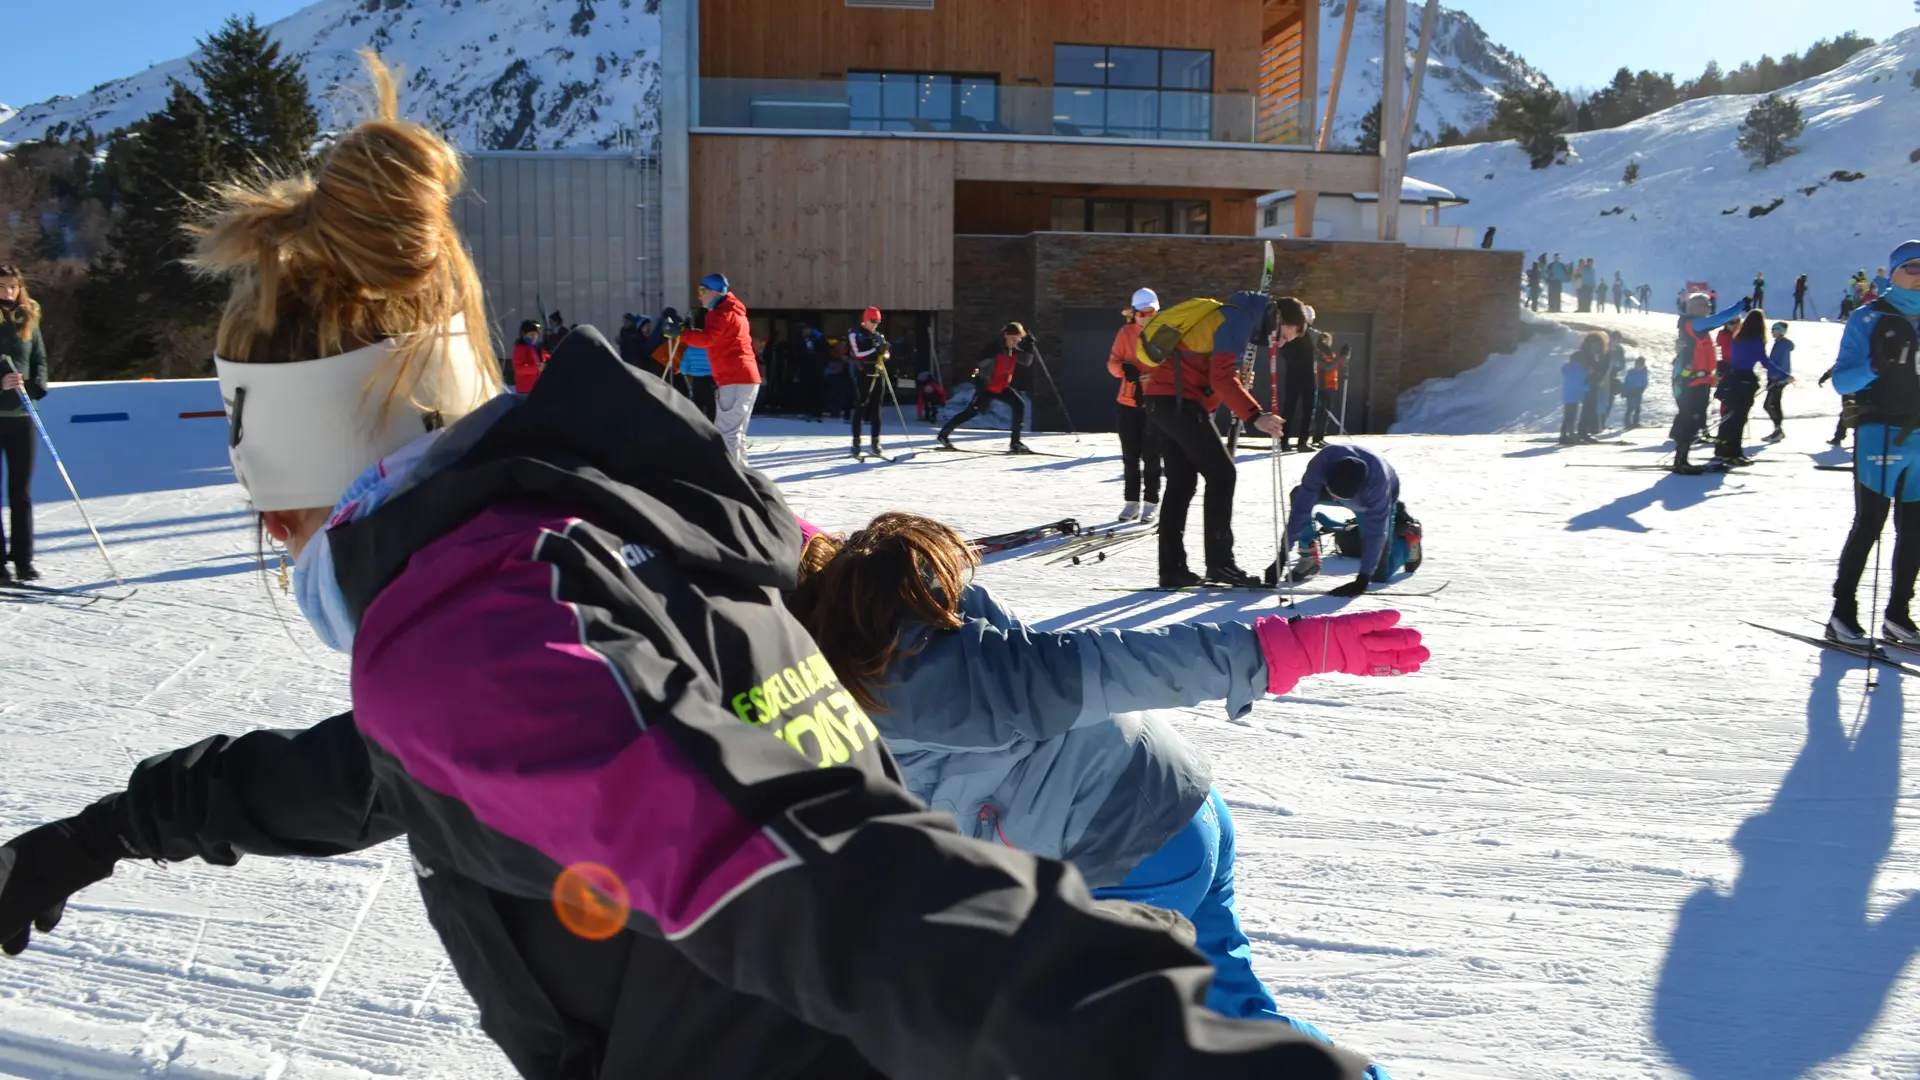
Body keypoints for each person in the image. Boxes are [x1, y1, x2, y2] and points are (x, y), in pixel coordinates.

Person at [0, 56, 1377, 1080]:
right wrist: (115, 827)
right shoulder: (603, 543)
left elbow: (818, 875)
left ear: (286, 486)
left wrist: (1182, 1055)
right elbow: (395, 770)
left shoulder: (459, 635)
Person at [786, 511, 1425, 1076]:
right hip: (1176, 807)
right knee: (1234, 1022)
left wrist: (1277, 649)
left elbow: (1104, 666)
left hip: (1121, 850)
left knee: (1105, 1045)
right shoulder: (899, 623)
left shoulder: (922, 681)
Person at [1141, 295, 1289, 588]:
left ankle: (1172, 569)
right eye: (1284, 335)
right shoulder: (1237, 319)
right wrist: (1254, 414)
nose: (1280, 344)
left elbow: (1209, 376)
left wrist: (1236, 385)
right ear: (1277, 318)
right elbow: (1220, 377)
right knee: (1222, 474)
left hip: (1165, 399)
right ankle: (1220, 565)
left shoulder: (1233, 317)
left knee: (1181, 483)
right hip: (1178, 402)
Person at [1826, 240, 1920, 649]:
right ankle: (1842, 614)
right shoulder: (1867, 318)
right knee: (1870, 525)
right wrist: (1875, 365)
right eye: (1913, 267)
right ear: (1893, 272)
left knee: (1915, 530)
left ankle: (1898, 615)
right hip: (1877, 434)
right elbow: (1842, 381)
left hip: (1918, 437)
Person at [1277, 445, 1421, 596]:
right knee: (1298, 494)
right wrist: (1282, 554)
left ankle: (1408, 538)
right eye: (1332, 494)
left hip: (1369, 502)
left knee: (1379, 574)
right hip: (1347, 488)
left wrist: (1363, 577)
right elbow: (1301, 509)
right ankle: (1309, 557)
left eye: (1339, 498)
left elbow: (1376, 533)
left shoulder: (1378, 487)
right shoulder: (1322, 462)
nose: (1334, 500)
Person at [679, 272, 760, 462]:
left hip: (734, 377)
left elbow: (708, 339)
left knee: (728, 433)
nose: (699, 296)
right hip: (743, 376)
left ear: (713, 292)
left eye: (702, 291)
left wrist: (681, 334)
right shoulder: (733, 311)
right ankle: (743, 476)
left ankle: (735, 481)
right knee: (735, 433)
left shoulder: (721, 313)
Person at [0, 264, 48, 583]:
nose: (8, 293)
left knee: (22, 492)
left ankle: (23, 560)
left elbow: (40, 360)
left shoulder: (27, 317)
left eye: (13, 287)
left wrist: (33, 386)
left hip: (21, 416)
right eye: (2, 286)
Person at [1670, 293, 1744, 474]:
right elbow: (1718, 320)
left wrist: (1709, 376)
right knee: (1691, 419)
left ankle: (1682, 457)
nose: (1707, 308)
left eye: (1708, 305)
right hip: (1692, 381)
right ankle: (1681, 461)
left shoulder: (1695, 326)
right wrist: (1739, 306)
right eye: (1703, 305)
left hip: (1698, 380)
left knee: (1695, 418)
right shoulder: (1694, 324)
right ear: (1693, 308)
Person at [1108, 288, 1163, 522]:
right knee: (1130, 456)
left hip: (1155, 402)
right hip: (1128, 402)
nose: (1147, 317)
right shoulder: (1125, 333)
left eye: (1151, 312)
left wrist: (1155, 378)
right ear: (1134, 313)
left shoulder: (1165, 333)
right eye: (1142, 313)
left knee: (1152, 455)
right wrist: (1124, 369)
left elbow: (1172, 366)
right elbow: (1112, 363)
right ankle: (1131, 502)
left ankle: (1151, 502)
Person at [937, 321, 1034, 453]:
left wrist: (1030, 346)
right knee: (971, 412)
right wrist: (994, 352)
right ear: (1005, 335)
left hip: (1002, 387)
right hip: (987, 388)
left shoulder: (1013, 350)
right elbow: (980, 363)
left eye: (1018, 339)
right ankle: (943, 435)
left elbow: (1026, 362)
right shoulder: (994, 347)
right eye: (1013, 339)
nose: (1015, 342)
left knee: (1019, 405)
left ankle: (1015, 442)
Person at [1714, 309, 1768, 466]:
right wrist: (1784, 375)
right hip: (1744, 381)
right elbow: (1764, 361)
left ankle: (1722, 450)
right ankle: (1733, 453)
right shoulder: (1753, 339)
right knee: (1738, 418)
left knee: (1729, 416)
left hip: (1731, 379)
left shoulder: (1736, 338)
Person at [847, 307, 889, 458]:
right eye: (873, 321)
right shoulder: (854, 334)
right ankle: (856, 442)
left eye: (878, 322)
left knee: (876, 409)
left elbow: (886, 354)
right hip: (862, 374)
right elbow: (858, 354)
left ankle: (875, 442)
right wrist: (876, 350)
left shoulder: (878, 335)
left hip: (878, 373)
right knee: (861, 408)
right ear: (865, 320)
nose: (875, 325)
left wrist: (885, 352)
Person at [1278, 313, 1318, 454]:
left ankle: (1290, 442)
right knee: (1298, 409)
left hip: (1297, 375)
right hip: (1301, 376)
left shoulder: (1301, 335)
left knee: (1295, 408)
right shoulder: (1301, 335)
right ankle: (1293, 442)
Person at [1761, 321, 1795, 442]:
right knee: (1773, 404)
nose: (1772, 332)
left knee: (1770, 405)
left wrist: (1780, 379)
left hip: (1778, 380)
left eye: (1775, 329)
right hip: (1774, 378)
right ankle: (1778, 430)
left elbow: (1783, 364)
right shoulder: (1779, 344)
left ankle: (1778, 430)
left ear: (1781, 331)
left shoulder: (1783, 345)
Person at [1313, 341, 1348, 447]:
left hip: (1332, 386)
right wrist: (1339, 357)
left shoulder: (1331, 355)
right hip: (1323, 387)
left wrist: (1344, 356)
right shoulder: (1318, 356)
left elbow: (1338, 364)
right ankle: (1316, 438)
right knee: (1321, 414)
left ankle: (1321, 437)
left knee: (1326, 414)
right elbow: (1328, 366)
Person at [1561, 338, 1594, 445]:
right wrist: (1589, 388)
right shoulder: (1580, 370)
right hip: (1574, 397)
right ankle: (1570, 434)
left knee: (1567, 416)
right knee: (1572, 417)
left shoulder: (1568, 368)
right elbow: (1579, 385)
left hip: (1567, 396)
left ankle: (1563, 434)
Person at [510, 318, 547, 394]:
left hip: (538, 389)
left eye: (536, 335)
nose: (534, 337)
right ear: (523, 334)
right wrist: (536, 368)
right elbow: (519, 369)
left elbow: (547, 358)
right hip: (525, 390)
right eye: (531, 334)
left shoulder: (538, 348)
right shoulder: (520, 349)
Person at [1622, 357, 1650, 429]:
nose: (1638, 366)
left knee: (1637, 408)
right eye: (1637, 365)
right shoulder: (1631, 372)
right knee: (1630, 408)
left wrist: (1642, 388)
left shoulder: (1644, 372)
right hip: (1630, 391)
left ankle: (1635, 423)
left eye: (1640, 365)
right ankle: (1627, 424)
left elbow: (1645, 381)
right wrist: (1625, 390)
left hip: (1638, 391)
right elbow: (1626, 381)